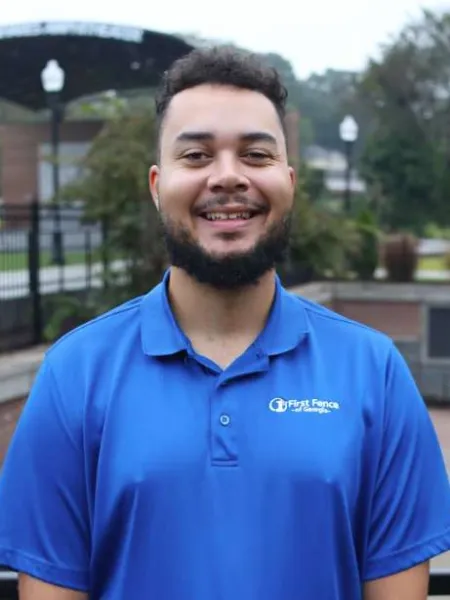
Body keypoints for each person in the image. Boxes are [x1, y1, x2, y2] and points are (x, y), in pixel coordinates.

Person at [0, 46, 449, 600]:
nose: (228, 177)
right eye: (196, 155)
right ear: (156, 185)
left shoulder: (374, 372)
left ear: (289, 180)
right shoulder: (74, 374)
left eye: (256, 155)